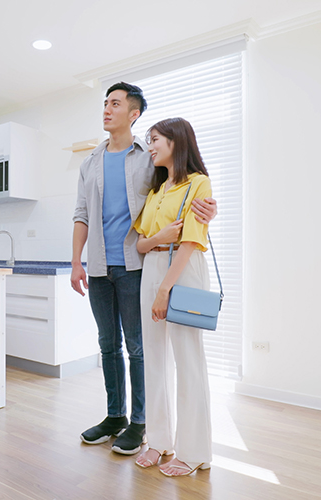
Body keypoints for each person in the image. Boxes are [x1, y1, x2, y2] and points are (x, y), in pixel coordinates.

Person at [71, 83, 218, 455]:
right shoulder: (89, 163)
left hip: (140, 267)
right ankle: (114, 416)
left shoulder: (146, 158)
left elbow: (184, 191)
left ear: (133, 113)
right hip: (101, 266)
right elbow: (82, 215)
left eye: (115, 103)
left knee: (139, 348)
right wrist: (76, 261)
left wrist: (209, 210)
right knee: (108, 345)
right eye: (104, 103)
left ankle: (142, 423)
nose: (106, 109)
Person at [132, 117, 214, 476]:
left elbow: (192, 240)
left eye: (155, 140)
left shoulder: (198, 183)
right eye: (149, 141)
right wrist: (159, 235)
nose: (150, 147)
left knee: (188, 360)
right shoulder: (156, 191)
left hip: (183, 269)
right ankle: (160, 440)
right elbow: (141, 243)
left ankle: (194, 451)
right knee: (154, 359)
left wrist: (165, 288)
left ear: (176, 142)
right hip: (151, 265)